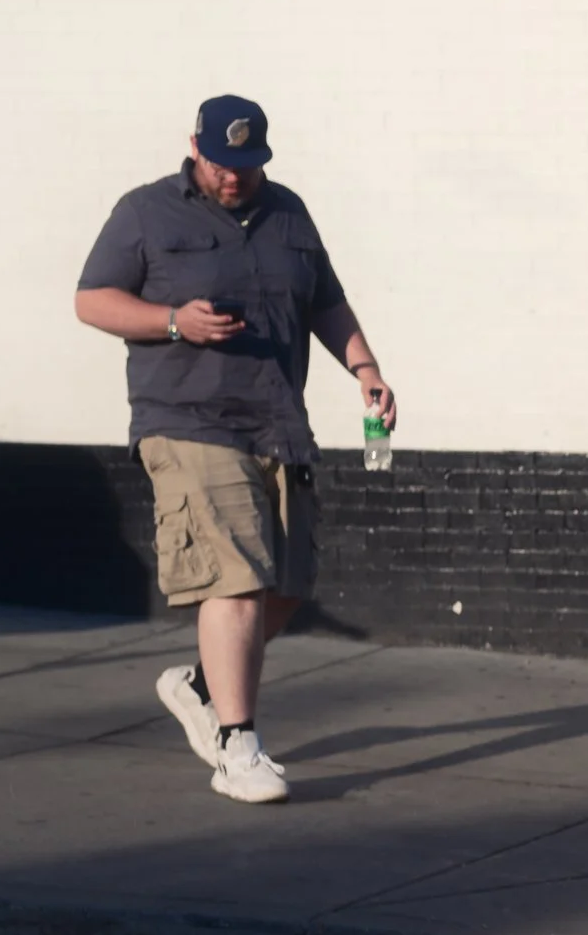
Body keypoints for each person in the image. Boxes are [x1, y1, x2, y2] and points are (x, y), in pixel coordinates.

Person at [73, 95, 396, 805]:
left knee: (286, 583)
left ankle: (198, 682)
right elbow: (91, 299)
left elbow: (326, 303)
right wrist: (169, 320)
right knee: (237, 581)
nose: (233, 179)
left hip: (276, 421)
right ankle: (237, 744)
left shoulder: (288, 213)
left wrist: (367, 371)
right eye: (222, 164)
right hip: (187, 418)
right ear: (194, 146)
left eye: (247, 167)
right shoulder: (145, 213)